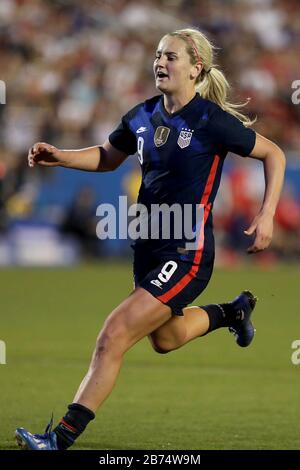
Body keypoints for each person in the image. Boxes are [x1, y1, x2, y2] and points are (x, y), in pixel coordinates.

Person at [15, 28, 285, 450]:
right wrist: (61, 155)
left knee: (114, 334)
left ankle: (58, 439)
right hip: (149, 246)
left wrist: (266, 214)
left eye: (171, 56)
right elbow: (108, 156)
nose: (161, 62)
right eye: (158, 54)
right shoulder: (141, 115)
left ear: (196, 68)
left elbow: (274, 153)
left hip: (187, 249)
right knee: (166, 339)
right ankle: (231, 313)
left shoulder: (210, 120)